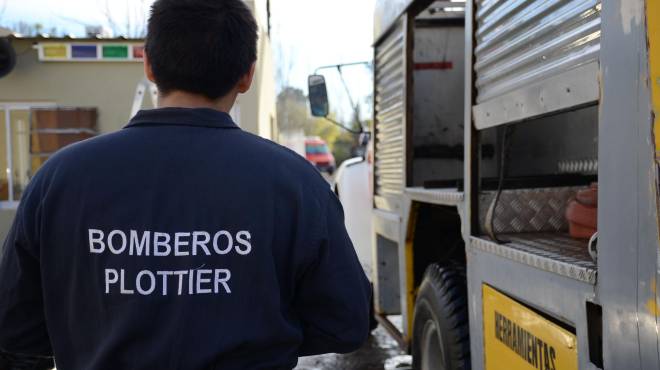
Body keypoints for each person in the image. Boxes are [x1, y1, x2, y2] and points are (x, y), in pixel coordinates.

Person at [0, 0, 371, 368]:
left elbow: (14, 326)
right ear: (247, 75)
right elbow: (346, 322)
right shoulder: (296, 183)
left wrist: (89, 335)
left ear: (147, 63)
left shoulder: (60, 177)